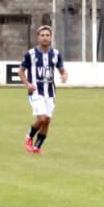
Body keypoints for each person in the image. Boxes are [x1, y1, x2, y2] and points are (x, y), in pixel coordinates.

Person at [21, 24, 68, 153]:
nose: (45, 38)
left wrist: (64, 76)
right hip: (36, 91)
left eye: (47, 35)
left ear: (51, 37)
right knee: (41, 118)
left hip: (50, 92)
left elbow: (62, 70)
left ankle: (37, 146)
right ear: (38, 38)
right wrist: (28, 84)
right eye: (42, 35)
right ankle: (29, 137)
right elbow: (21, 71)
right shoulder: (30, 54)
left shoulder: (56, 54)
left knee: (47, 120)